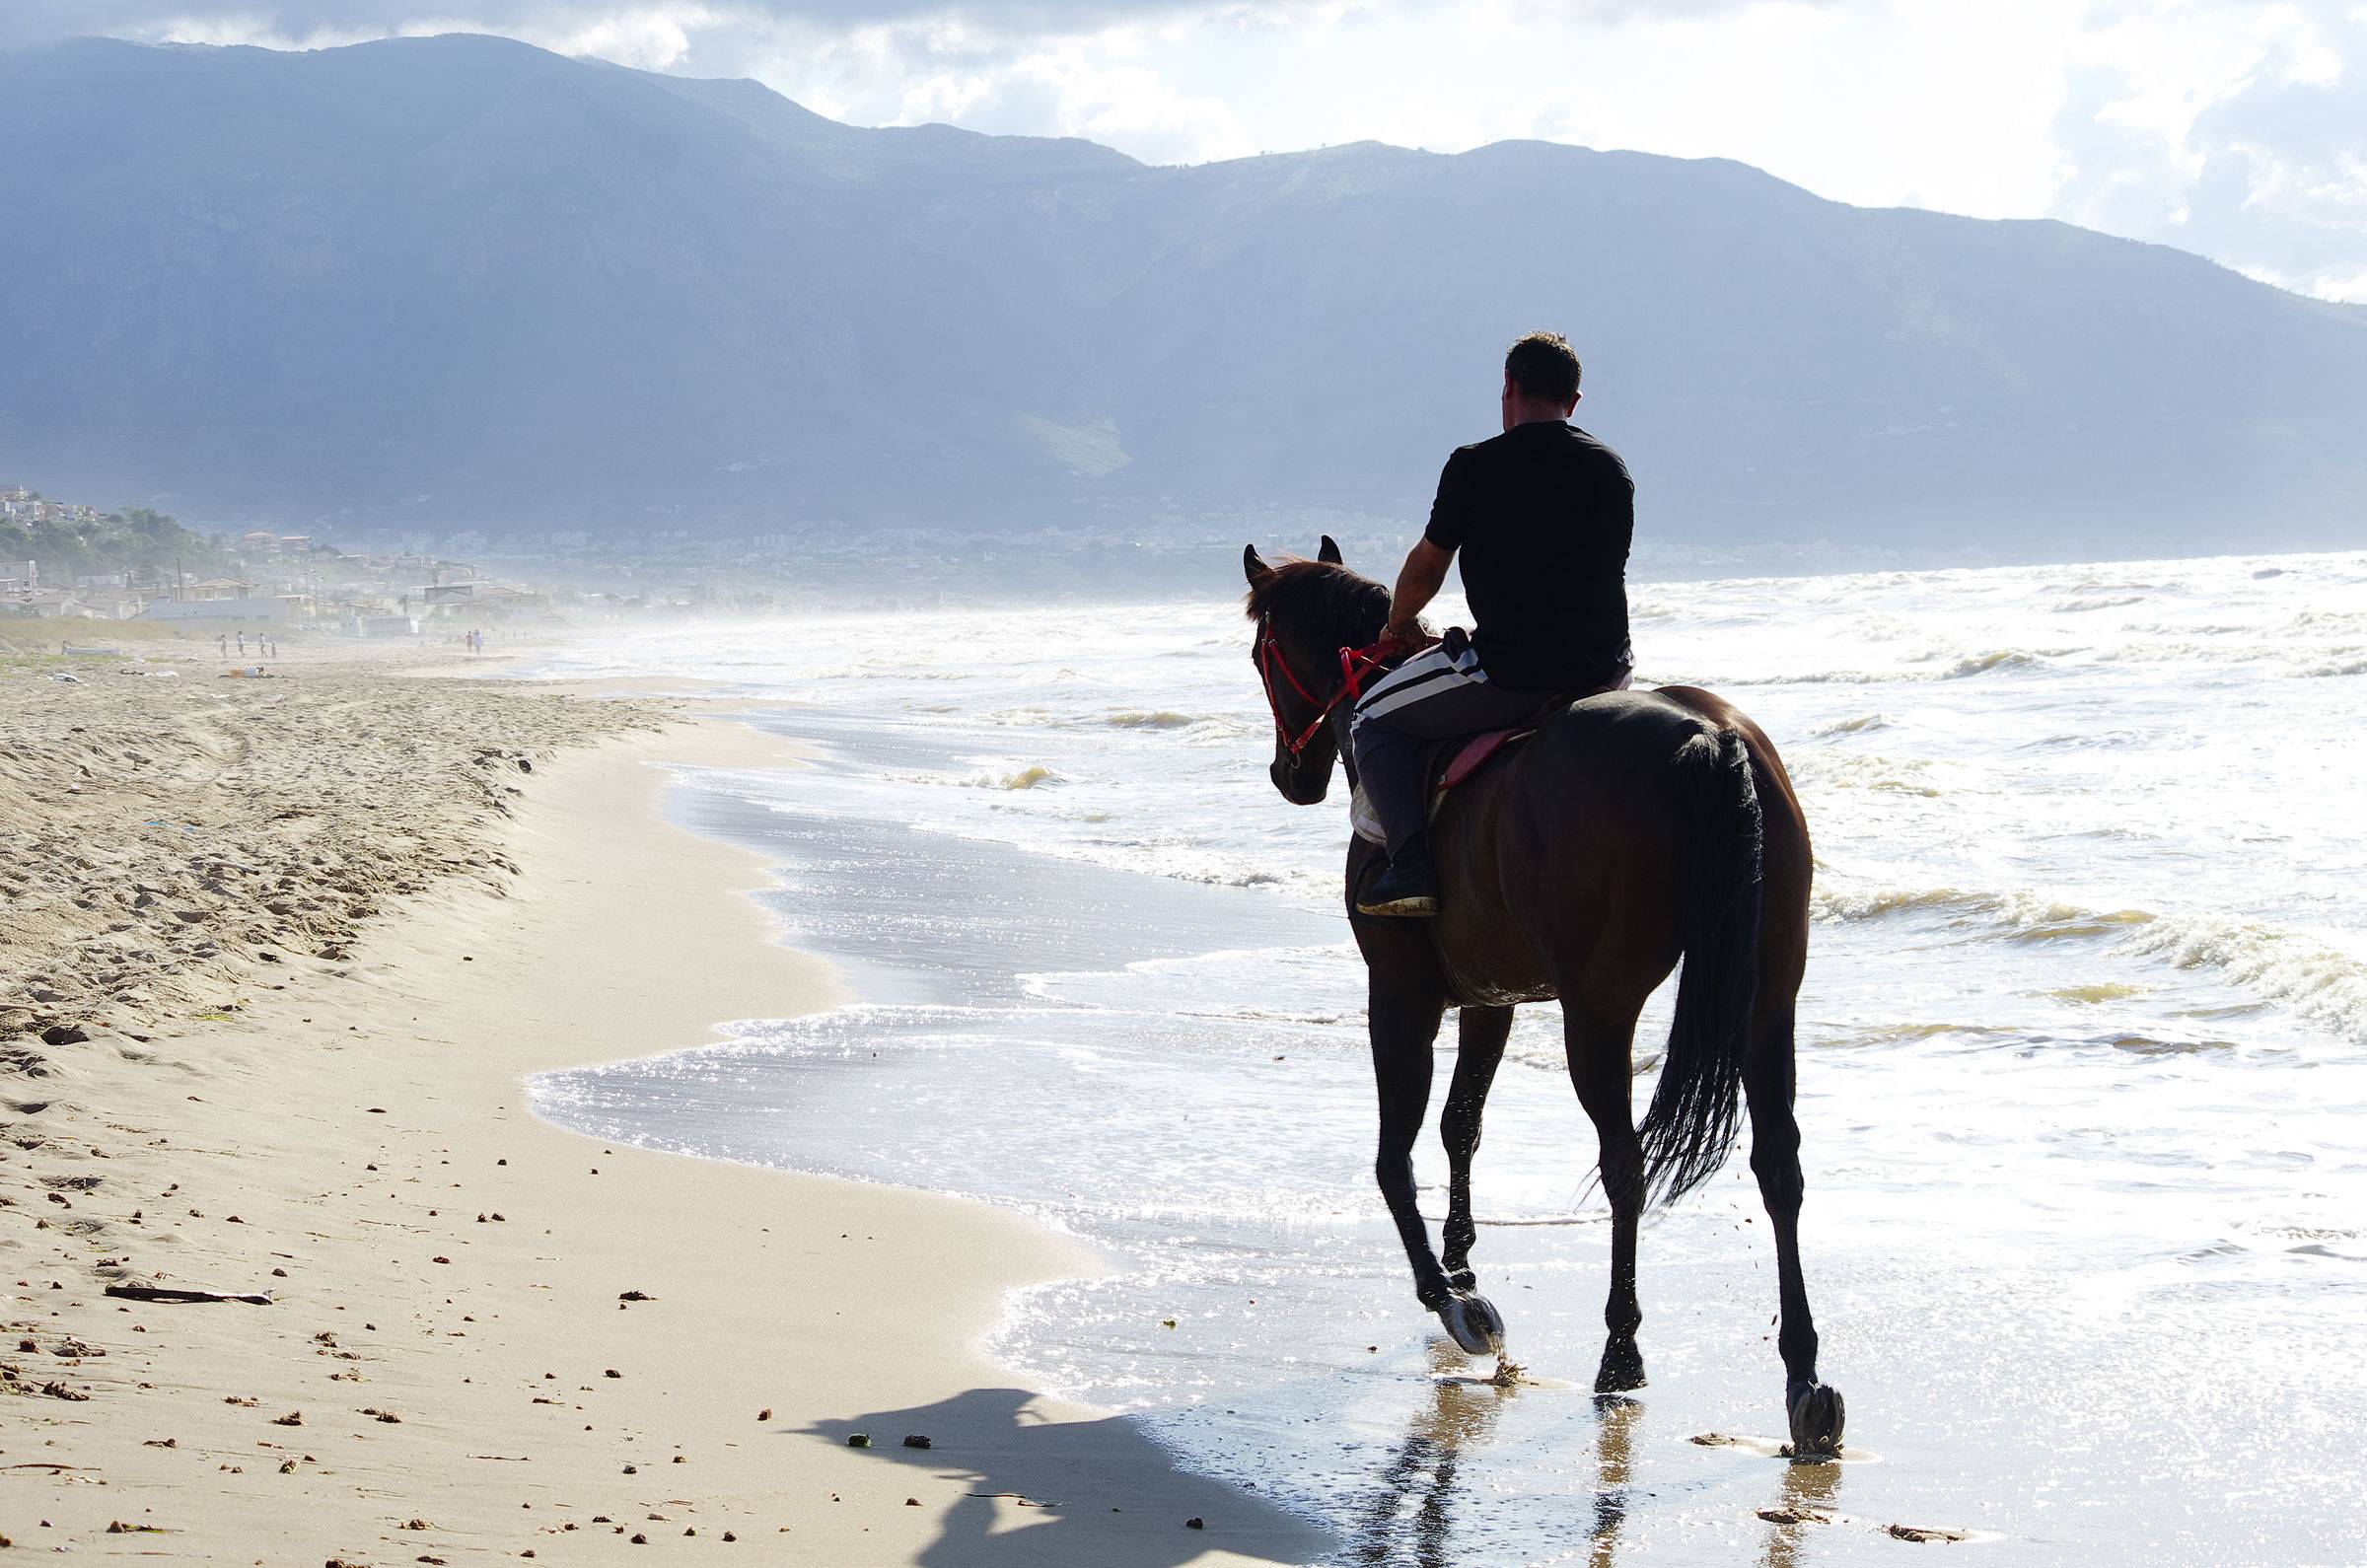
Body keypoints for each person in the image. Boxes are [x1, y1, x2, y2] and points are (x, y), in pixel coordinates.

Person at [1348, 330, 1636, 917]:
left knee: (1371, 718)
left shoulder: (1474, 466)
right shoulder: (1611, 468)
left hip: (1512, 674)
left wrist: (1398, 624)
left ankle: (1410, 868)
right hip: (1608, 672)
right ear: (1573, 403)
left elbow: (1428, 566)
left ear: (1508, 387)